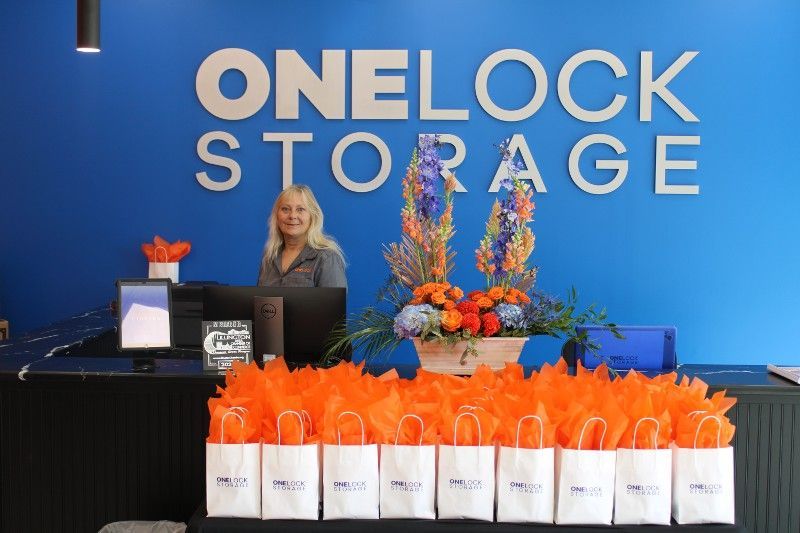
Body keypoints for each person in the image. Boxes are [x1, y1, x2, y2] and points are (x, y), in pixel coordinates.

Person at [257, 184, 347, 288]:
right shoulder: (270, 256)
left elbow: (334, 303)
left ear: (312, 216)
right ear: (277, 216)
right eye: (285, 209)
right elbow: (261, 303)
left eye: (300, 209)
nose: (292, 216)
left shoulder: (326, 258)